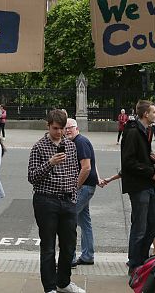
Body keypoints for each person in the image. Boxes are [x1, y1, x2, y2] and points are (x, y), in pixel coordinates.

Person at [27, 109, 85, 293]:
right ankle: (50, 287)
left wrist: (73, 196)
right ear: (48, 126)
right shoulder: (39, 147)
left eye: (62, 129)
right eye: (55, 128)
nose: (59, 132)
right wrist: (50, 163)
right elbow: (32, 176)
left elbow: (75, 171)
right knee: (48, 247)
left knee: (69, 246)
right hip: (46, 201)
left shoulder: (70, 145)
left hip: (68, 200)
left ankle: (63, 282)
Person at [121, 99, 155, 273]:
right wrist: (149, 171)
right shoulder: (133, 132)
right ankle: (135, 263)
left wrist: (150, 156)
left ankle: (141, 258)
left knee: (154, 224)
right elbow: (128, 162)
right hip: (139, 186)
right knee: (140, 226)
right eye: (153, 112)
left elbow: (139, 156)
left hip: (148, 184)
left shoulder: (145, 130)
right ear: (145, 114)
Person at [65, 118, 100, 267]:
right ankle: (87, 256)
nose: (67, 131)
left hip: (84, 187)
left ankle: (70, 259)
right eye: (65, 128)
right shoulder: (80, 141)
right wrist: (98, 178)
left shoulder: (80, 142)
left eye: (70, 128)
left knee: (68, 220)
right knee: (85, 222)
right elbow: (92, 164)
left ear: (77, 128)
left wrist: (75, 187)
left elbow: (86, 167)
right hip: (87, 186)